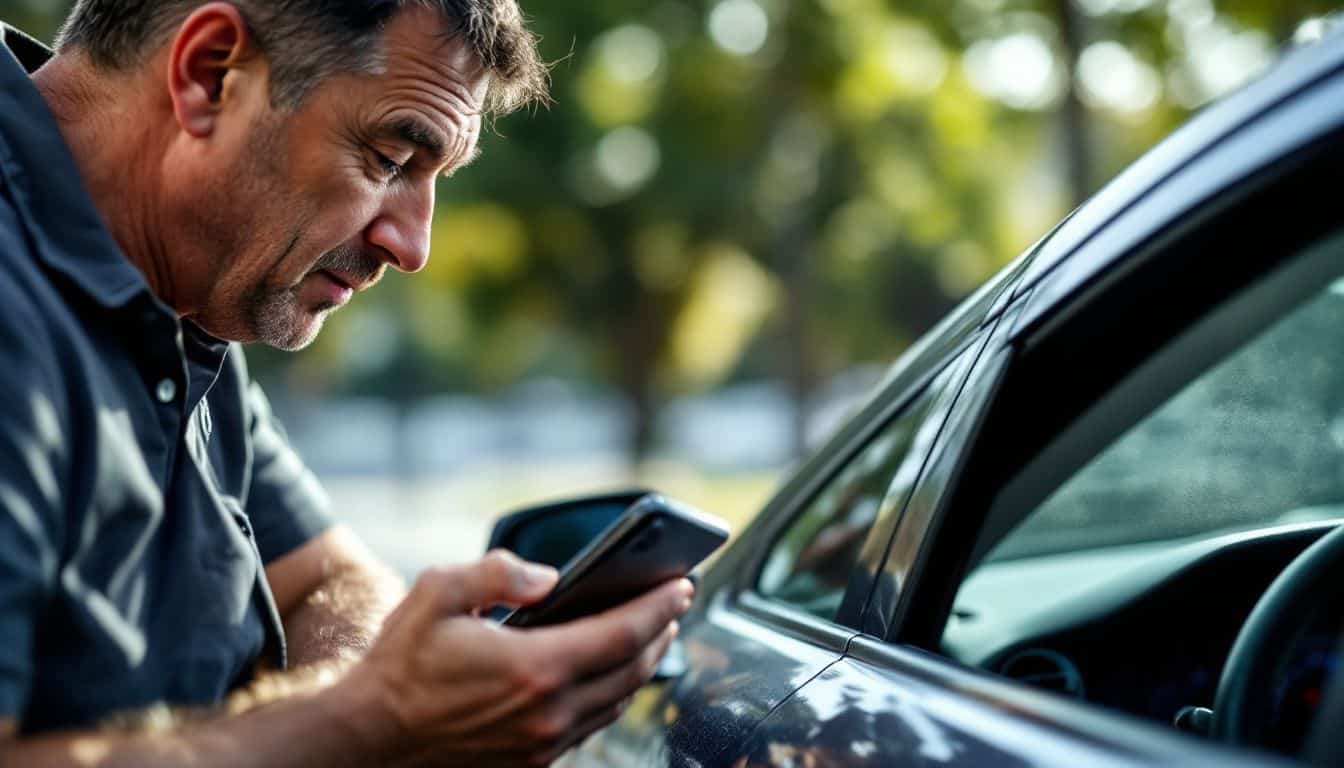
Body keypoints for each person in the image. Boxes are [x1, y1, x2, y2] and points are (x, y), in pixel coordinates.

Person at [0, 2, 691, 765]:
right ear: (210, 76)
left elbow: (328, 573)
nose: (413, 245)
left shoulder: (183, 291)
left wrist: (353, 698)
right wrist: (375, 719)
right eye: (391, 161)